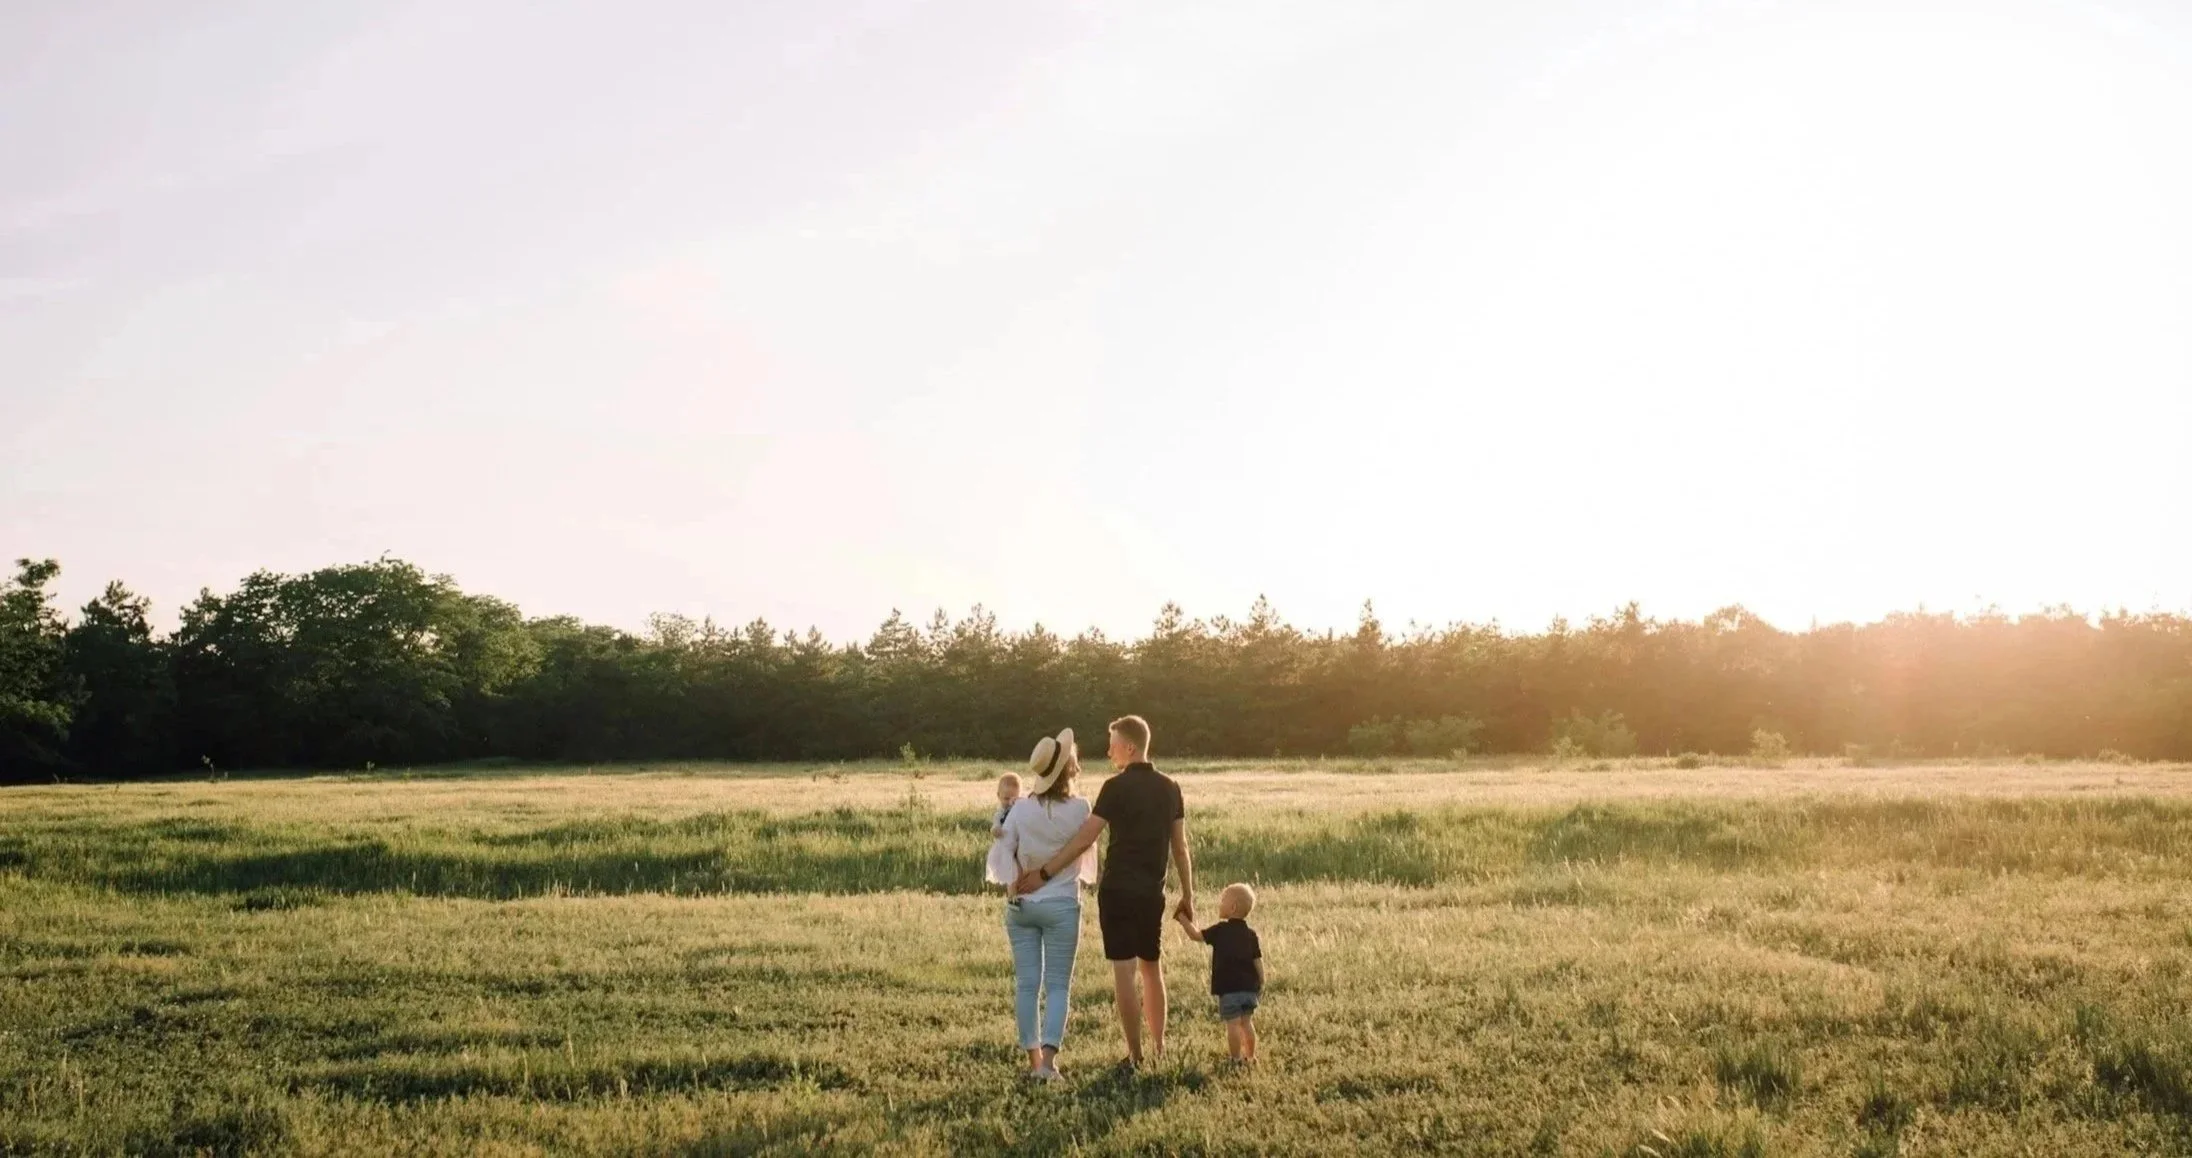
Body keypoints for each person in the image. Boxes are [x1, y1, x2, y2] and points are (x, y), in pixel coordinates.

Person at [1017, 715, 1193, 1067]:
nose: (1109, 749)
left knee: (1124, 972)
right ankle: (1159, 1050)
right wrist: (1188, 894)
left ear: (1129, 747)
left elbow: (1085, 838)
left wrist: (1045, 872)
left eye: (1113, 743)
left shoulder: (1115, 787)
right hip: (1151, 892)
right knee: (1151, 968)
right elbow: (1180, 846)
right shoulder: (1171, 787)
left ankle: (1136, 1055)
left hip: (1117, 892)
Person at [994, 729, 1097, 1080]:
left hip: (1021, 905)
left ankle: (1033, 1062)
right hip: (1062, 905)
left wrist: (1013, 885)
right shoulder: (1082, 808)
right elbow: (1085, 859)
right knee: (1057, 986)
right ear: (1070, 768)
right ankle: (1049, 1065)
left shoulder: (1020, 809)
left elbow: (1003, 854)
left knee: (1026, 985)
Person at [1175, 882, 1263, 1064]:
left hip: (1229, 990)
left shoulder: (1220, 930)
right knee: (1247, 1023)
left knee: (1233, 1025)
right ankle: (1251, 1056)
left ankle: (1235, 1058)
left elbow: (1196, 935)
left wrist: (1182, 918)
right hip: (1249, 990)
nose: (1219, 903)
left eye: (1223, 900)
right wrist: (1261, 982)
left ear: (1233, 907)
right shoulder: (1251, 934)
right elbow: (1258, 961)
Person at [983, 771, 1023, 896]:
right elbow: (995, 826)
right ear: (998, 796)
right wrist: (996, 830)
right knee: (1011, 874)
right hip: (1006, 848)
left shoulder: (1021, 810)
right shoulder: (1000, 813)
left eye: (1014, 798)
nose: (1010, 802)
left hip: (1020, 846)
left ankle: (1023, 893)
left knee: (1022, 872)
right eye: (1006, 798)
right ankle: (1012, 897)